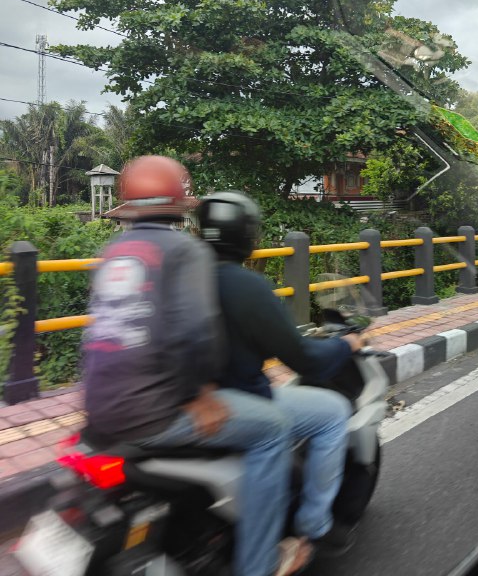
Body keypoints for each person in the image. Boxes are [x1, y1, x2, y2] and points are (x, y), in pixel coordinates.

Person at [83, 155, 310, 576]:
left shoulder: (112, 250)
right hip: (153, 414)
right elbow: (196, 335)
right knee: (273, 429)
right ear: (177, 200)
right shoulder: (184, 249)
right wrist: (199, 394)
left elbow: (96, 332)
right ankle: (260, 562)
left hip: (99, 410)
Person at [197, 191, 364, 556]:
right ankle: (313, 524)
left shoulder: (183, 277)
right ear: (246, 236)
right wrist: (345, 345)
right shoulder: (247, 285)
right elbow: (305, 359)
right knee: (333, 413)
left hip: (189, 399)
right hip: (239, 399)